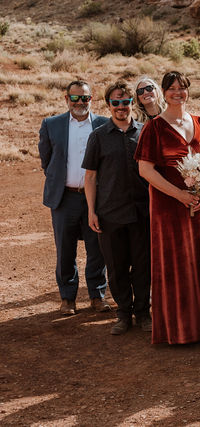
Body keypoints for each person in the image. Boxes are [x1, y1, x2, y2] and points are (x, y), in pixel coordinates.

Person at [135, 72, 200, 344]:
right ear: (162, 92)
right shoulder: (154, 127)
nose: (177, 93)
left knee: (198, 261)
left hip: (198, 203)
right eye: (171, 89)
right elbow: (145, 170)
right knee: (174, 264)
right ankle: (178, 330)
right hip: (168, 207)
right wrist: (180, 195)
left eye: (182, 88)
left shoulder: (199, 122)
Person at [83, 82, 149, 334]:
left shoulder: (145, 132)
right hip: (109, 213)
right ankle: (124, 314)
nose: (121, 107)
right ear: (108, 105)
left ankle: (143, 313)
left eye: (125, 102)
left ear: (132, 103)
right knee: (116, 266)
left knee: (142, 266)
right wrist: (91, 210)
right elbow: (90, 177)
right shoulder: (98, 136)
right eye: (115, 103)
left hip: (142, 212)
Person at [38, 80, 109, 315]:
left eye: (85, 98)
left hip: (96, 198)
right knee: (65, 249)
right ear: (66, 98)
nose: (80, 102)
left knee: (96, 248)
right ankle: (67, 298)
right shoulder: (51, 124)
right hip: (64, 197)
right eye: (75, 98)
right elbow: (46, 160)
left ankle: (97, 295)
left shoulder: (103, 124)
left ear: (92, 99)